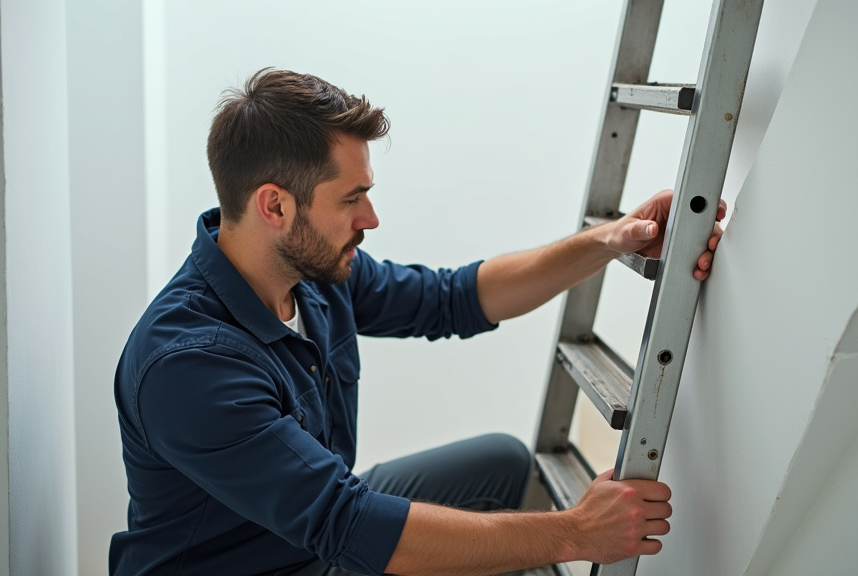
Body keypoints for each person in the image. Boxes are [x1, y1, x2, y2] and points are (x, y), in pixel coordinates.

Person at [111, 68, 725, 576]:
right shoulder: (188, 361)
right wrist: (575, 533)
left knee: (502, 464)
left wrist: (611, 240)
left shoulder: (318, 278)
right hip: (264, 563)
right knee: (456, 535)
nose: (371, 218)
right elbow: (346, 523)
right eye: (351, 198)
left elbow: (454, 297)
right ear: (275, 205)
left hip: (309, 539)